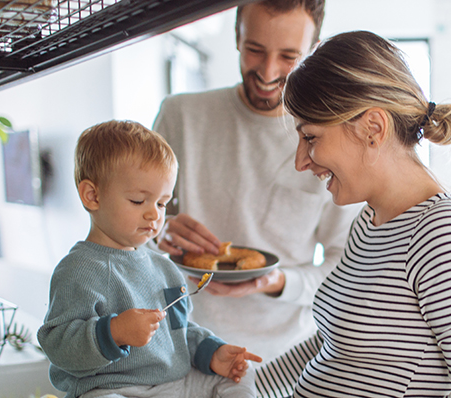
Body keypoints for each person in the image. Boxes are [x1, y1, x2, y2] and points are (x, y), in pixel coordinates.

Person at [254, 30, 451, 397]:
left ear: (373, 128)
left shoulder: (445, 236)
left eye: (310, 138)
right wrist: (243, 388)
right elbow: (337, 348)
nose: (301, 162)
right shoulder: (371, 221)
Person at [153, 0, 361, 362]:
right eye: (254, 50)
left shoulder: (331, 140)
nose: (267, 72)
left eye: (288, 56)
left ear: (313, 51)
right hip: (186, 348)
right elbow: (134, 229)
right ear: (236, 36)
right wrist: (159, 230)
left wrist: (278, 282)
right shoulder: (180, 115)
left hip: (286, 362)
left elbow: (344, 267)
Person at [37, 120, 262, 398]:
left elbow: (179, 334)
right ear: (92, 196)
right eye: (138, 201)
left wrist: (212, 353)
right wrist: (114, 332)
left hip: (177, 385)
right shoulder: (78, 270)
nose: (155, 215)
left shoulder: (164, 267)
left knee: (245, 374)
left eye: (162, 203)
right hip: (113, 388)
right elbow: (58, 346)